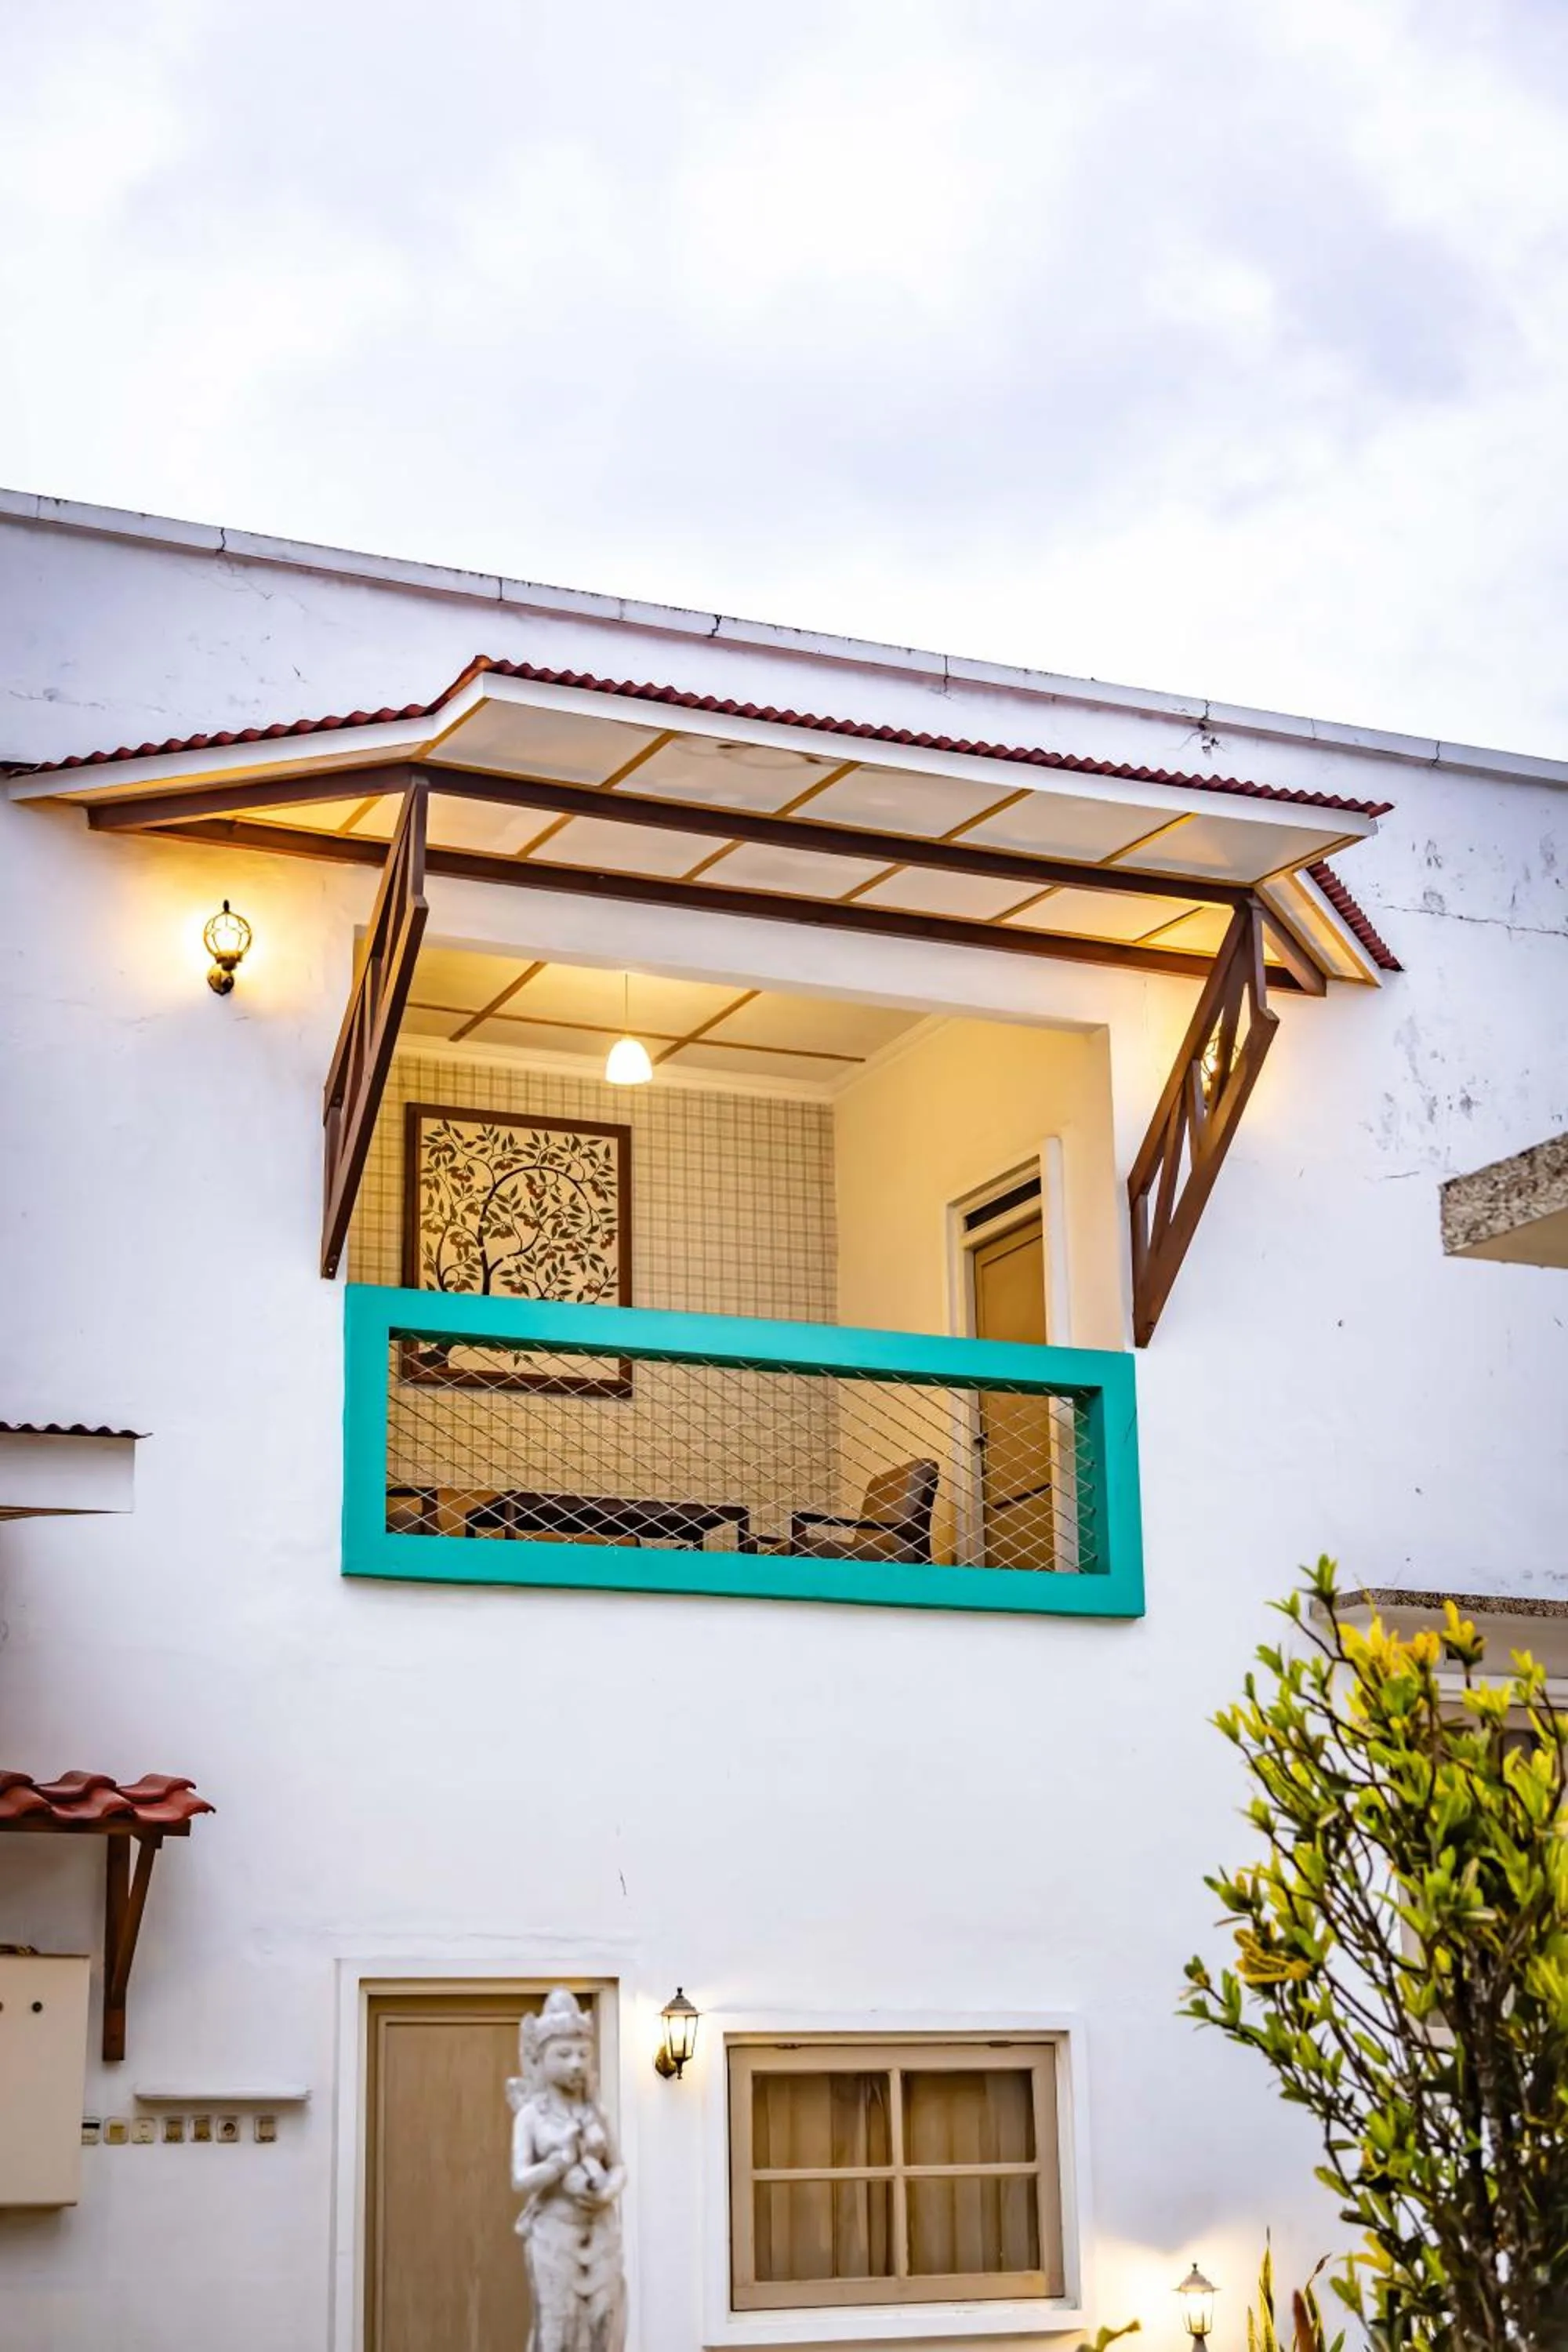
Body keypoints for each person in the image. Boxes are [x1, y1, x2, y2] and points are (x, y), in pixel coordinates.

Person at [509, 1987, 627, 2352]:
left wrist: (607, 2192)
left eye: (583, 2054)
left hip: (601, 2229)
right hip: (554, 2232)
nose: (576, 2063)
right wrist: (560, 2162)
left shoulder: (596, 2111)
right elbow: (520, 2179)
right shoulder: (532, 2116)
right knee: (558, 2325)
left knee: (604, 2321)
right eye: (563, 2054)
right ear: (540, 2060)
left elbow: (618, 2166)